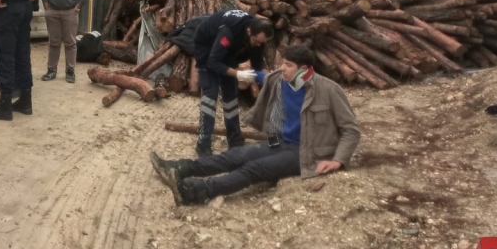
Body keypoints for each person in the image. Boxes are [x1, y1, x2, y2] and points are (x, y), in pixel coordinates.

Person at [150, 44, 361, 205]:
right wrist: (232, 71)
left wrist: (338, 161)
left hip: (307, 152)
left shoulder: (329, 90)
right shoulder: (280, 80)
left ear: (304, 69)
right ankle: (180, 168)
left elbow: (351, 129)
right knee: (235, 156)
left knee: (253, 168)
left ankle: (196, 192)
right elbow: (261, 76)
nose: (282, 68)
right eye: (282, 63)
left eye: (288, 65)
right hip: (281, 141)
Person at [190, 10, 274, 157]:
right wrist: (238, 74)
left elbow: (258, 63)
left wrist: (270, 78)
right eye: (257, 41)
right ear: (249, 32)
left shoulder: (257, 35)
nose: (259, 45)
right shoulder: (228, 32)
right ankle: (203, 144)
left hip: (227, 50)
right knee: (211, 94)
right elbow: (213, 62)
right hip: (207, 49)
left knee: (230, 94)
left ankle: (235, 141)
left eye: (262, 42)